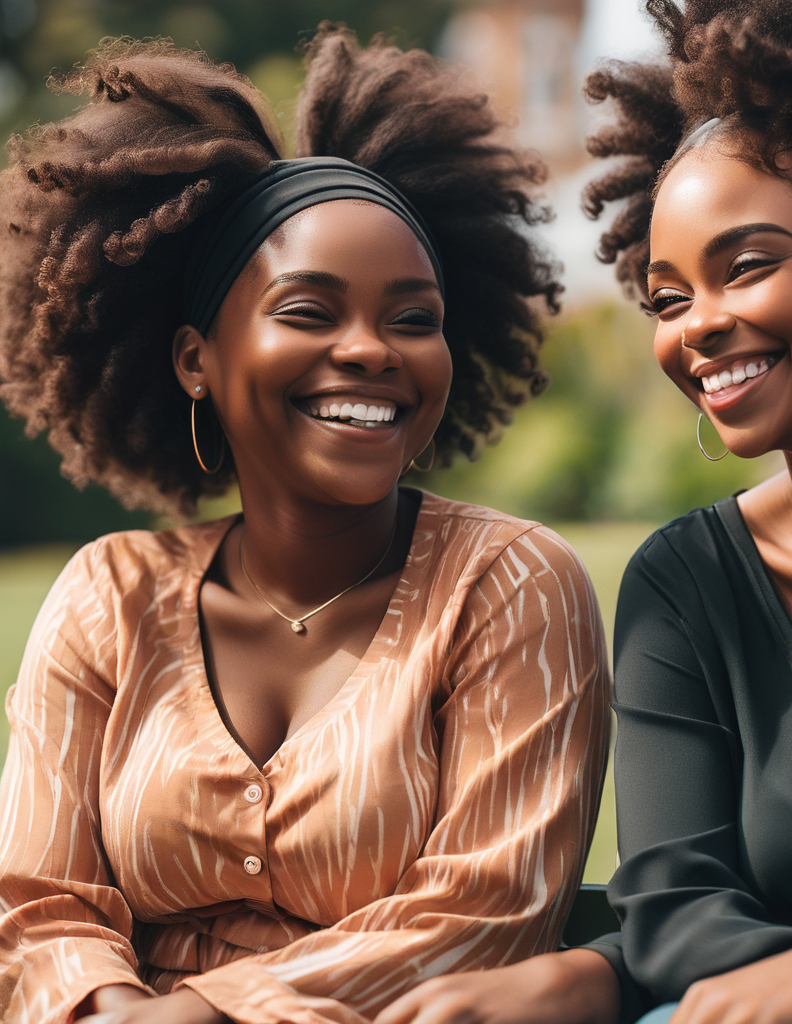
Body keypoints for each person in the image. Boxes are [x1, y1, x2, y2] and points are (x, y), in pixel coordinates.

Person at [369, 1, 792, 1023]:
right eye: (668, 299)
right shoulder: (686, 583)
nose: (701, 327)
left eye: (747, 265)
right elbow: (678, 910)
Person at [0, 27, 611, 1024]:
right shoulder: (109, 596)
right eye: (310, 310)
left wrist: (196, 1013)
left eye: (413, 319)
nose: (370, 350)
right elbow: (36, 904)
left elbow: (483, 913)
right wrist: (112, 1005)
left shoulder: (508, 584)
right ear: (198, 358)